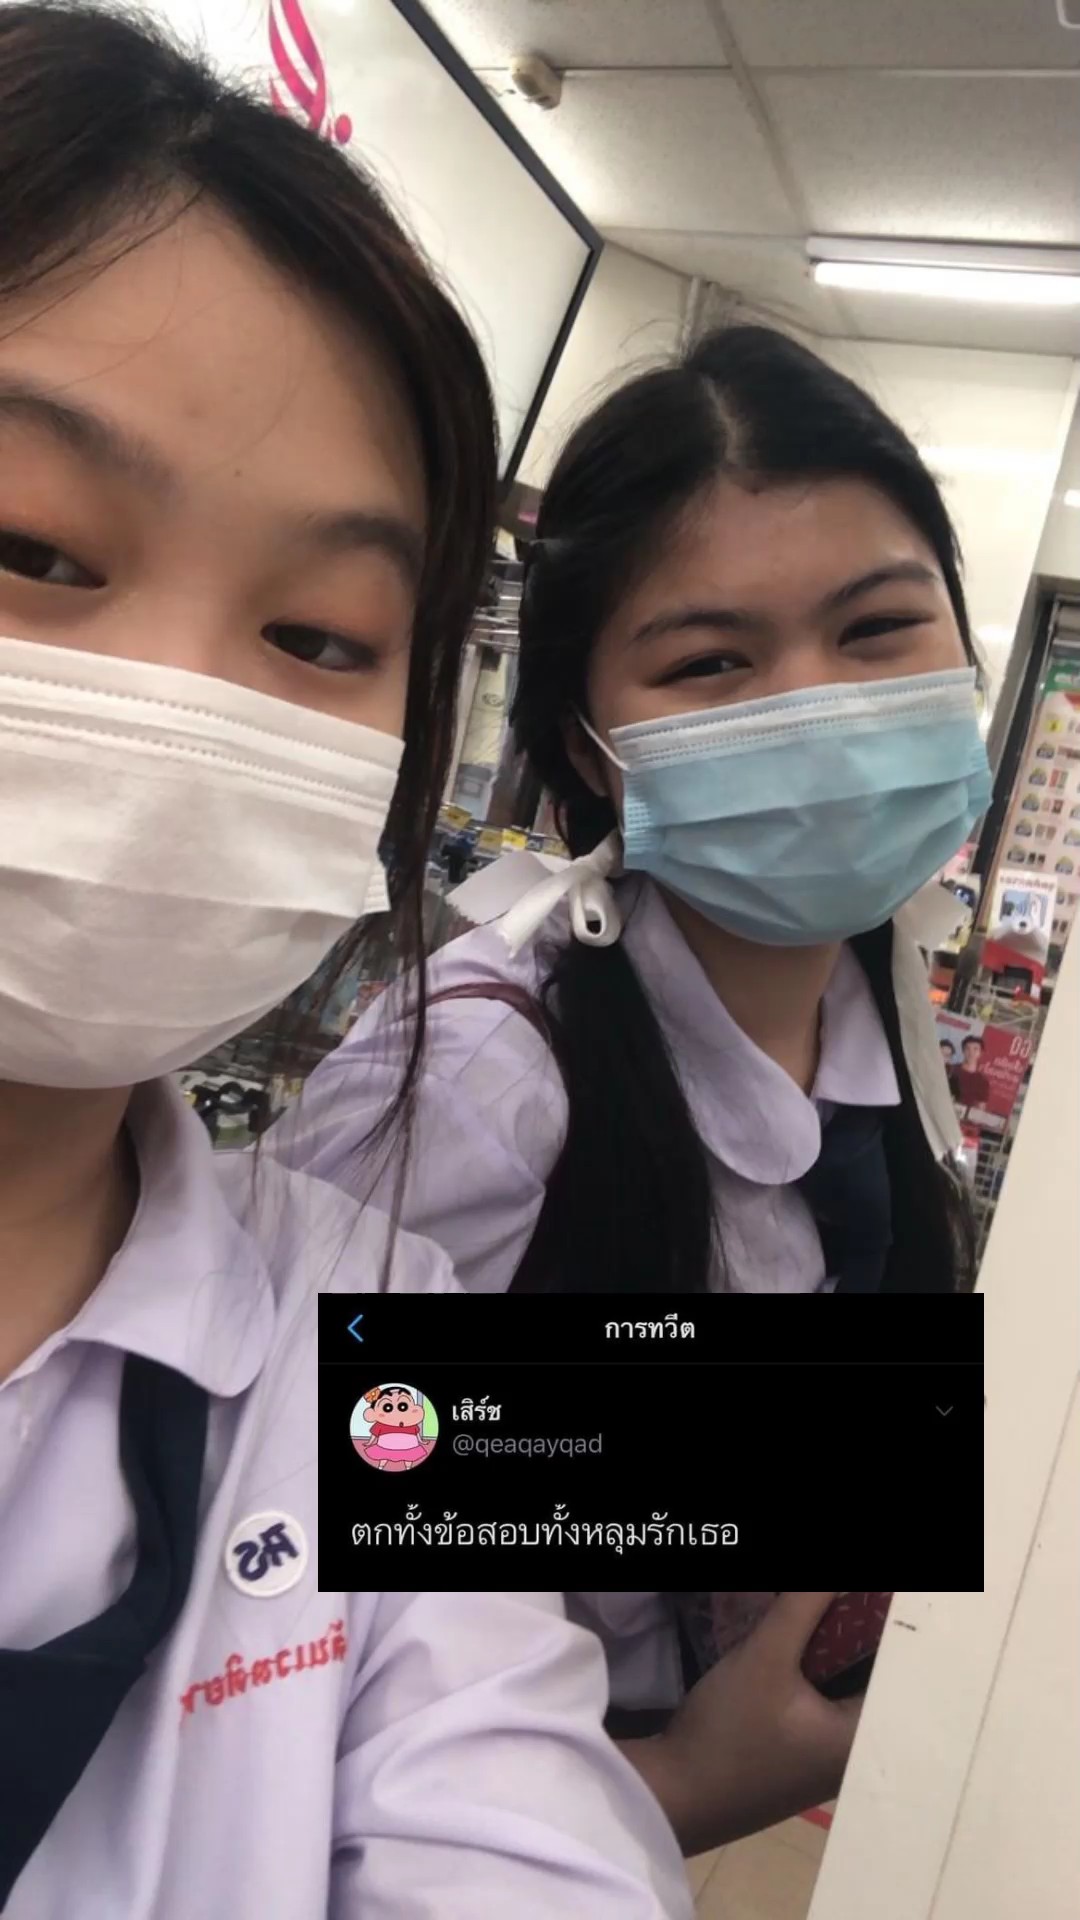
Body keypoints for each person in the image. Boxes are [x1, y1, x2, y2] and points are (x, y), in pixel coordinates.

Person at [0, 7, 694, 1915]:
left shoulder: (364, 1321)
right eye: (34, 545)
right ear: (570, 730)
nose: (178, 703)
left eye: (318, 638)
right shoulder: (482, 1052)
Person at [273, 324, 990, 1296]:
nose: (817, 710)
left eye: (877, 626)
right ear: (585, 745)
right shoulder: (473, 1088)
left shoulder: (883, 1022)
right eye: (710, 661)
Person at [953, 1034, 991, 1111]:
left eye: (975, 1049)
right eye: (967, 1048)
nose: (971, 1053)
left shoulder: (983, 1081)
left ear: (981, 1053)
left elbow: (980, 1108)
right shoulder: (951, 1070)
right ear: (963, 1051)